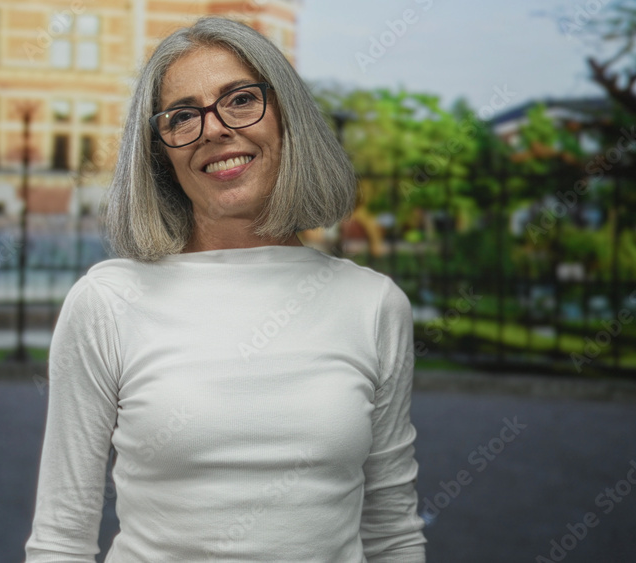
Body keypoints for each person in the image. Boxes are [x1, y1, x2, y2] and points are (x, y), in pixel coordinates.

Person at [24, 16, 426, 562]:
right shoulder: (107, 303)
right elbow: (61, 539)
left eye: (240, 100)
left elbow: (392, 530)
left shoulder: (374, 304)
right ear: (161, 152)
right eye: (183, 116)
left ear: (288, 119)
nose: (213, 128)